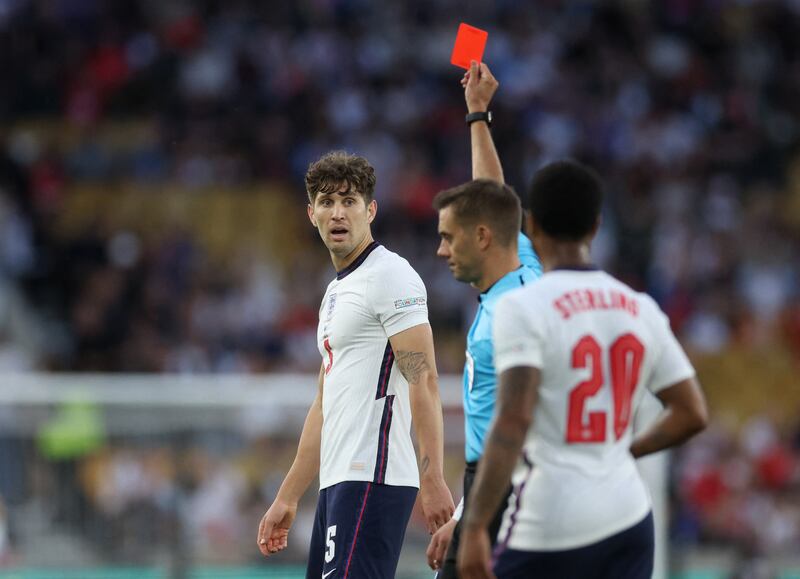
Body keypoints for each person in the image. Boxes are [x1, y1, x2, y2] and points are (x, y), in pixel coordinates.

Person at [457, 160, 709, 579]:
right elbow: (692, 412)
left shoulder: (524, 306)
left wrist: (476, 524)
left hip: (550, 522)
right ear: (596, 226)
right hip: (628, 516)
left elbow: (513, 419)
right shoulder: (639, 307)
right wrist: (626, 451)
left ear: (531, 227)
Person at [257, 151, 454, 578]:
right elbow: (324, 406)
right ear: (311, 214)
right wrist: (288, 496)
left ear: (371, 210)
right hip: (338, 480)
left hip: (374, 475)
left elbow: (424, 380)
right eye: (327, 202)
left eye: (349, 201)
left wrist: (433, 476)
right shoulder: (334, 293)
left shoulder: (391, 275)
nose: (338, 213)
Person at [426, 61, 542, 577]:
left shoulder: (511, 316)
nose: (440, 250)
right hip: (491, 491)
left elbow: (522, 426)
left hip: (506, 489)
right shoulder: (523, 270)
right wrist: (477, 115)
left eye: (449, 237)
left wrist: (472, 517)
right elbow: (493, 196)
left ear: (482, 238)